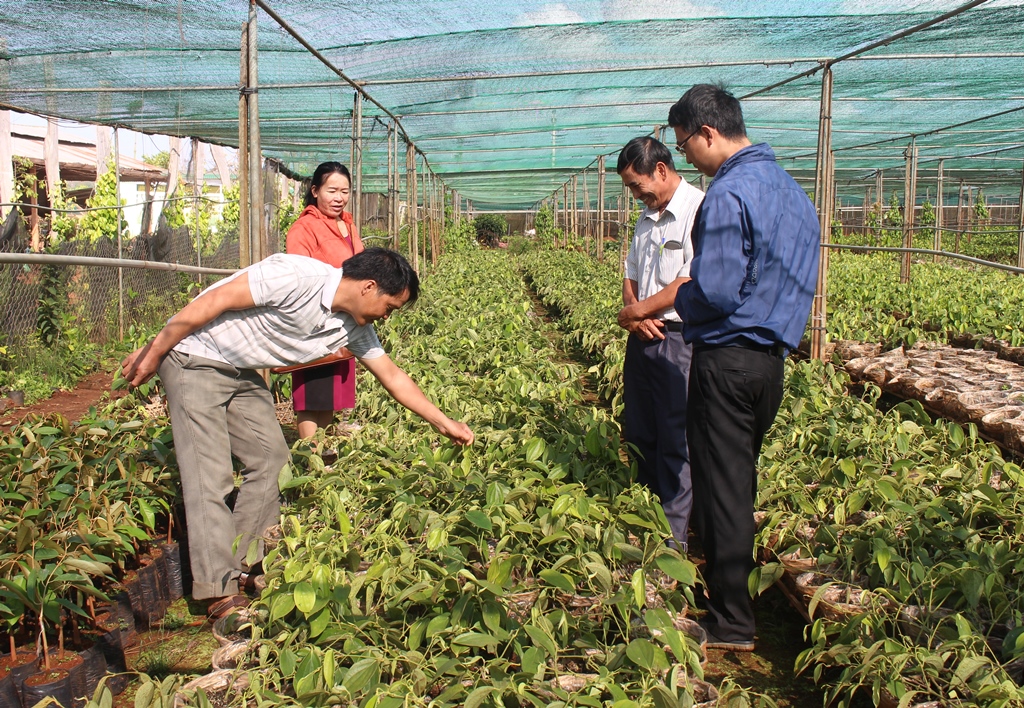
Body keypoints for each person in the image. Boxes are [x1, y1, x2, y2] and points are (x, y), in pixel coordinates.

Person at [120, 248, 474, 619]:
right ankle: (217, 590)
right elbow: (217, 298)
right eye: (389, 307)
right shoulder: (296, 277)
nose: (386, 317)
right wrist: (156, 350)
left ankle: (245, 564)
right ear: (369, 287)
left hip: (240, 369)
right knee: (209, 475)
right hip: (195, 358)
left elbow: (393, 376)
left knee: (272, 459)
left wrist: (443, 422)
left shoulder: (354, 326)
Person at [669, 84, 820, 651]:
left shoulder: (729, 194)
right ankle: (730, 602)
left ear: (709, 133)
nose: (685, 156)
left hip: (727, 361)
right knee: (739, 481)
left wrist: (681, 300)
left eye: (685, 145)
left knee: (724, 491)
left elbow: (718, 291)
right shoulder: (793, 194)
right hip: (769, 365)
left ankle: (730, 622)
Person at [615, 137, 704, 552]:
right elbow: (632, 269)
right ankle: (645, 514)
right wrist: (633, 309)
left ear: (662, 170)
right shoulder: (646, 216)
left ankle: (673, 540)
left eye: (638, 186)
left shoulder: (697, 210)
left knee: (676, 437)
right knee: (640, 428)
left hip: (678, 338)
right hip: (643, 336)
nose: (635, 195)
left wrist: (638, 313)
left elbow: (690, 279)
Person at [285, 162, 364, 439]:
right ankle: (311, 454)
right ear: (315, 190)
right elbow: (298, 277)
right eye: (332, 190)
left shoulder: (348, 225)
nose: (339, 197)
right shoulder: (304, 228)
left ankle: (325, 449)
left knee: (331, 391)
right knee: (313, 391)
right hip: (315, 320)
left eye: (344, 191)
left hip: (343, 321)